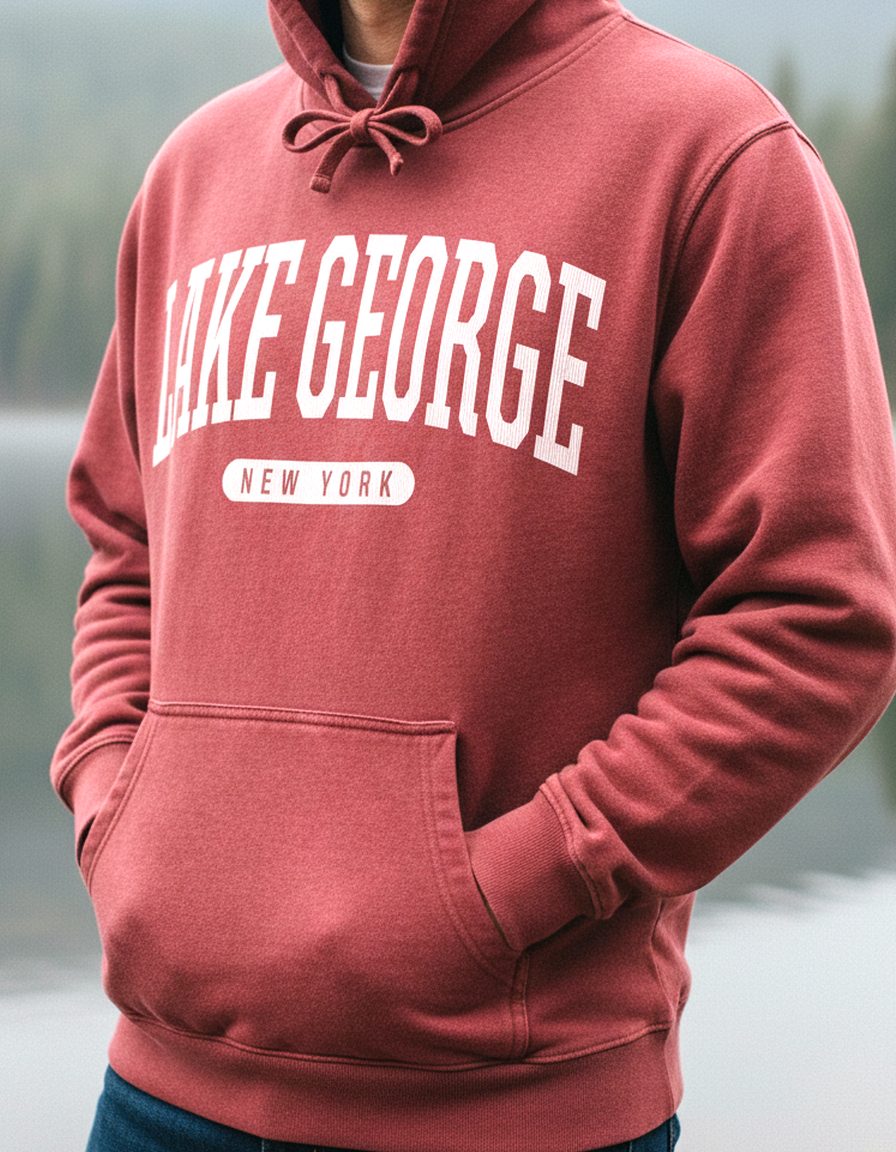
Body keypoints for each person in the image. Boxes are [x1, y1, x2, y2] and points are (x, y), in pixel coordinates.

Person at [49, 0, 896, 1150]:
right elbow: (125, 548)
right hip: (159, 1095)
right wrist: (115, 806)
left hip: (513, 1111)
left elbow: (816, 615)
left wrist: (520, 881)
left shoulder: (706, 153)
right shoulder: (193, 172)